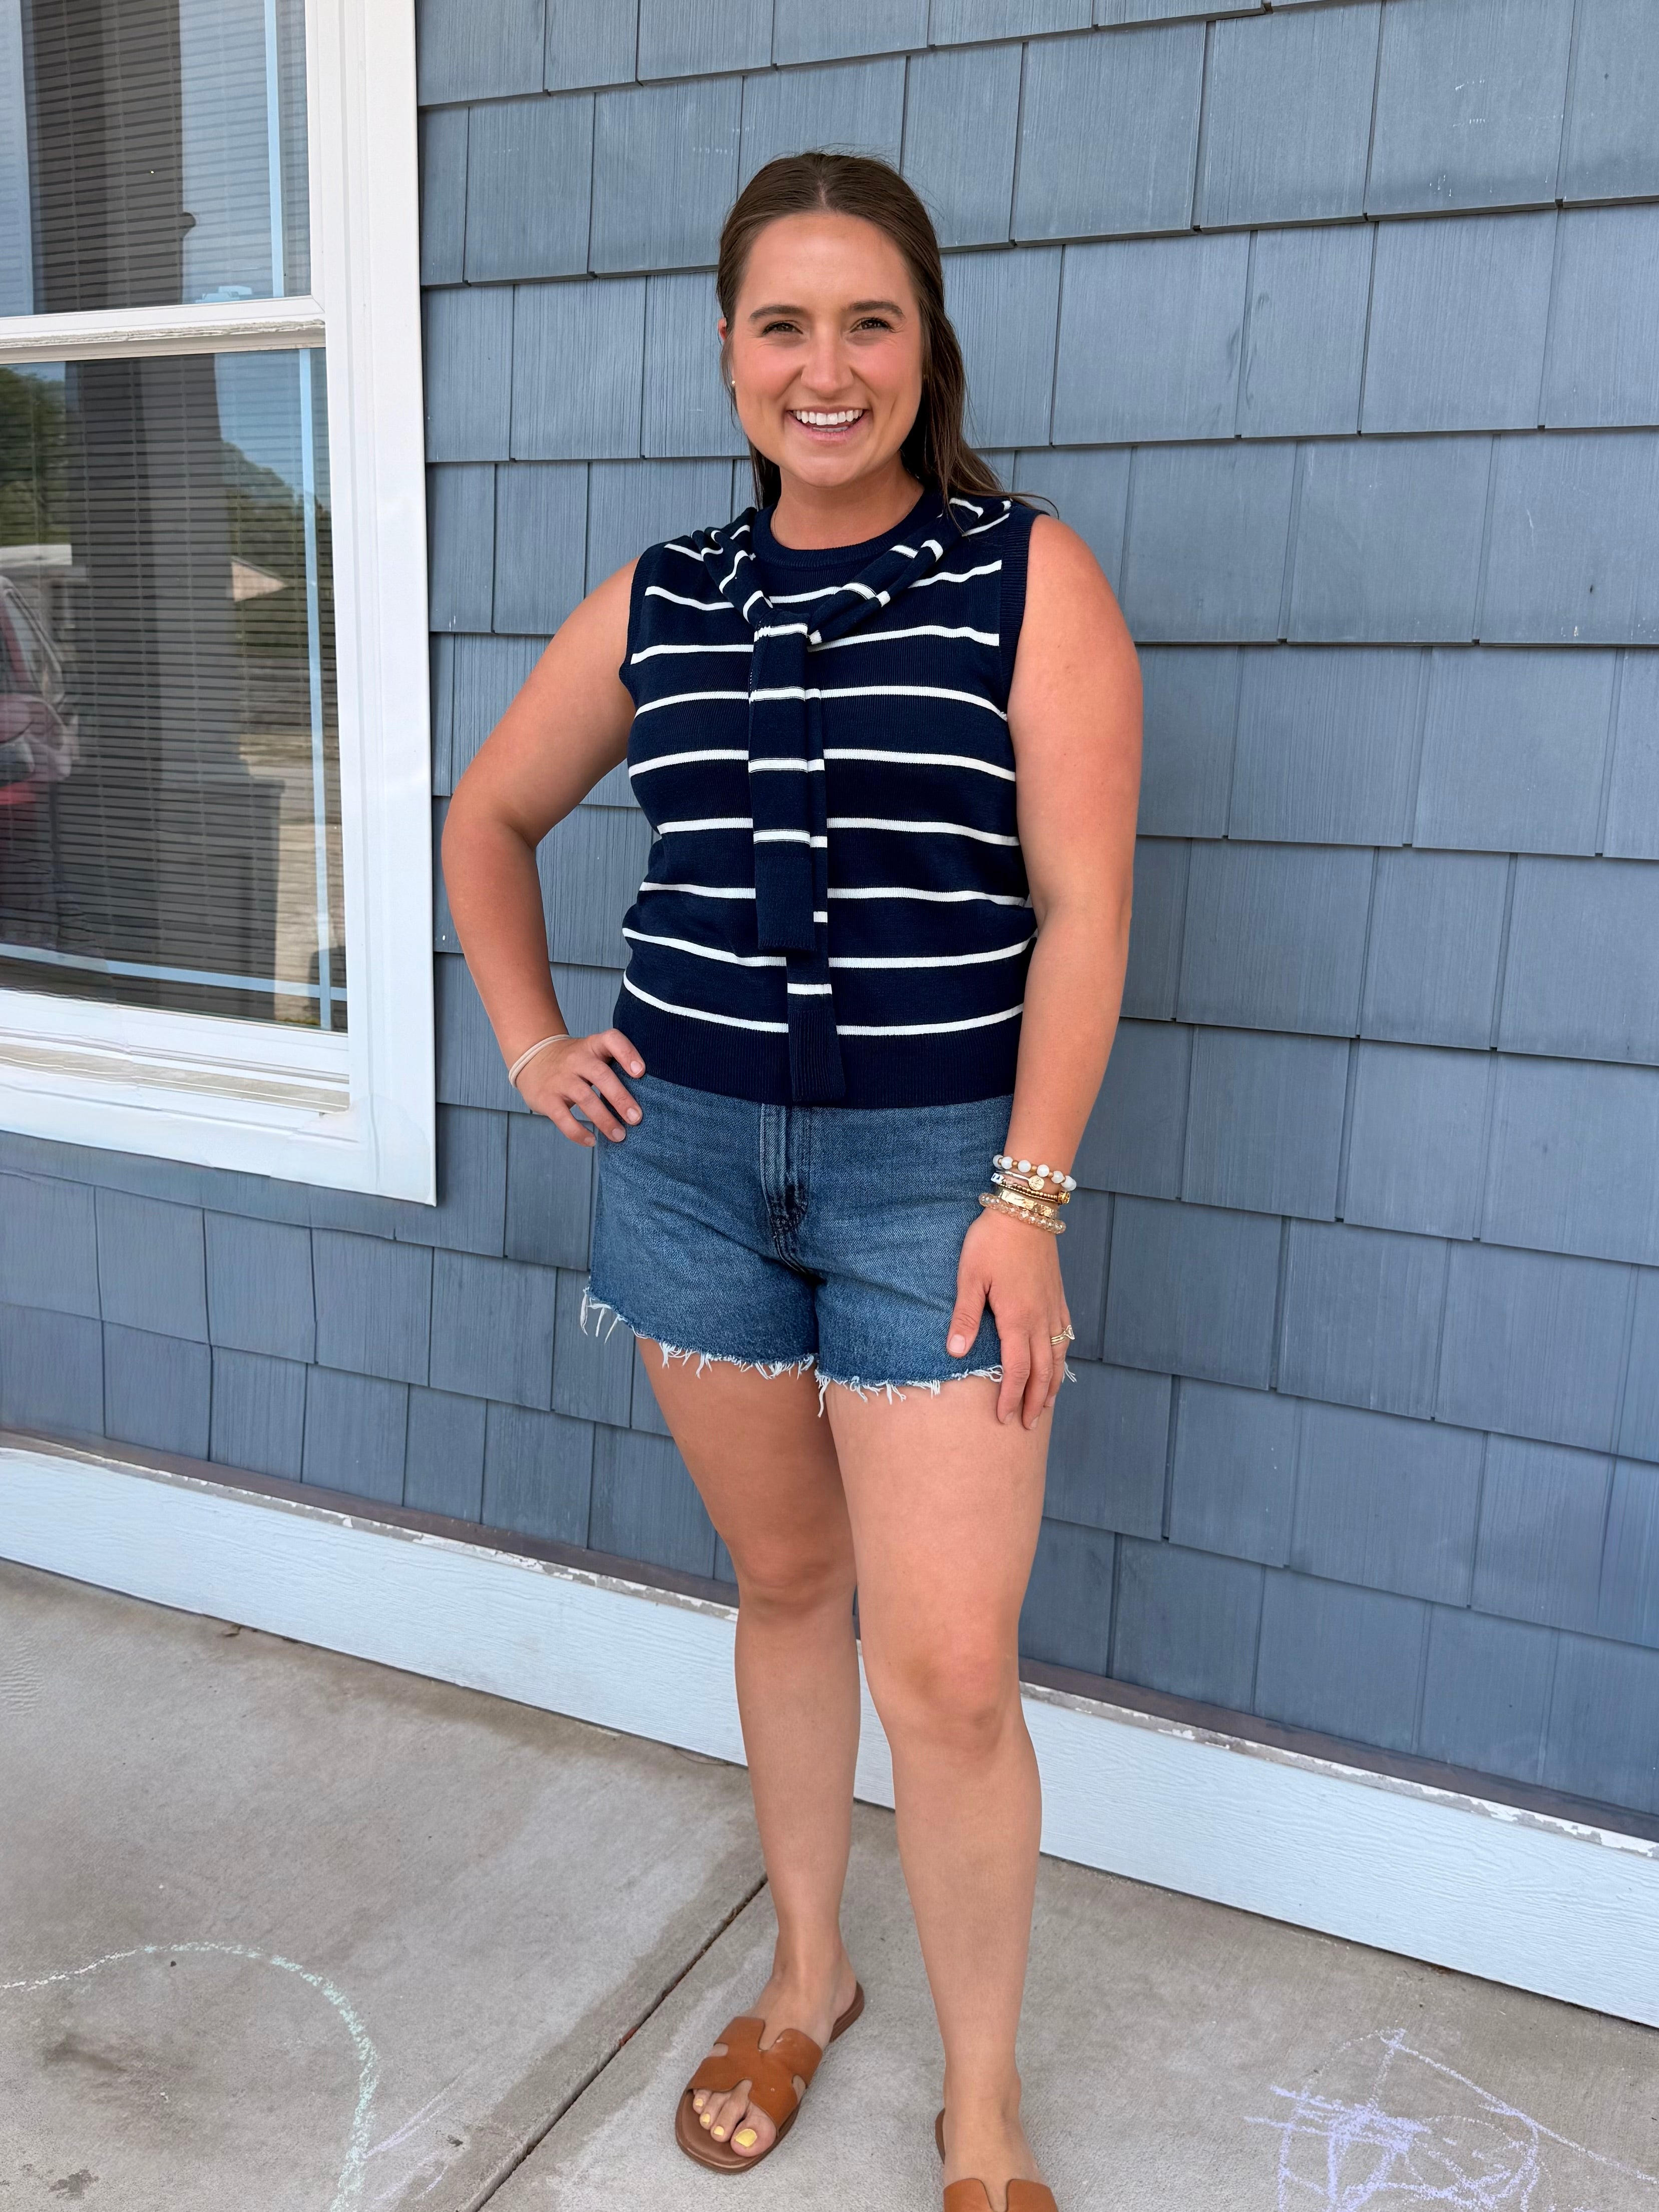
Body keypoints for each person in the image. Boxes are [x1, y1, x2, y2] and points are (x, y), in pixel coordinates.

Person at [443, 150, 1140, 2212]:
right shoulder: (661, 596)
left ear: (923, 349)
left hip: (940, 1178)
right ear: (728, 348)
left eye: (866, 322)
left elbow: (1085, 914)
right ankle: (811, 1974)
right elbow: (487, 816)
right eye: (781, 323)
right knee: (786, 1587)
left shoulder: (1029, 579)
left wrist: (1027, 1199)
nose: (822, 367)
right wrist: (536, 1043)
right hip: (687, 1173)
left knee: (943, 1669)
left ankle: (985, 2102)